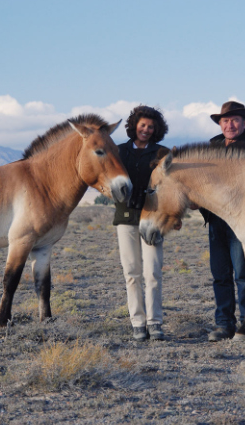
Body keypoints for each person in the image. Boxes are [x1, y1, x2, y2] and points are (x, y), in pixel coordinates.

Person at [202, 101, 245, 342]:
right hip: (216, 220)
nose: (230, 124)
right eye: (225, 120)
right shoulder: (212, 146)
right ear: (220, 123)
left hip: (242, 222)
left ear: (244, 122)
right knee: (220, 274)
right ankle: (224, 323)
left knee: (242, 274)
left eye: (235, 120)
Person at [113, 105, 170, 342]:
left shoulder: (162, 153)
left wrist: (170, 217)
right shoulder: (118, 151)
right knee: (132, 272)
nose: (146, 129)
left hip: (154, 217)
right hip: (125, 217)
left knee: (153, 271)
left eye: (151, 126)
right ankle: (138, 322)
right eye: (143, 125)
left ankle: (154, 322)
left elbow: (170, 188)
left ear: (156, 130)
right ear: (134, 125)